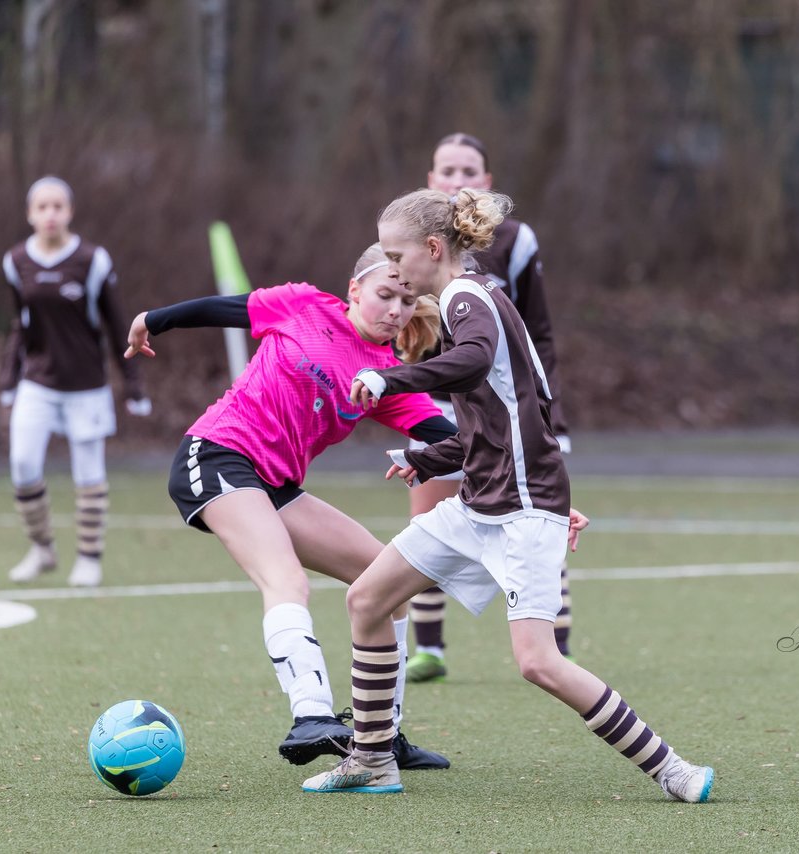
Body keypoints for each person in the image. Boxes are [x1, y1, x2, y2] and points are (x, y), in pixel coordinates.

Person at [301, 188, 714, 803]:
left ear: (433, 249)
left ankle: (673, 769)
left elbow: (471, 364)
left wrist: (388, 376)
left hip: (521, 509)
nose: (393, 267)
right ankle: (371, 758)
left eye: (397, 254)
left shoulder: (468, 298)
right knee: (367, 599)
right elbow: (505, 415)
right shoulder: (473, 296)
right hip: (478, 504)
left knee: (538, 662)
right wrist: (431, 457)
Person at [122, 244, 452, 771]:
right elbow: (220, 309)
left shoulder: (387, 379)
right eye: (384, 295)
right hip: (216, 454)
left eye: (406, 302)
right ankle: (311, 715)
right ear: (354, 290)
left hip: (276, 486)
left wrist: (537, 487)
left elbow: (458, 440)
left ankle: (379, 736)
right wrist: (150, 321)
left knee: (391, 582)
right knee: (286, 580)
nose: (395, 310)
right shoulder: (302, 304)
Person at [405, 133, 574, 684]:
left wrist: (548, 410)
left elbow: (533, 336)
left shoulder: (513, 243)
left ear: (487, 182)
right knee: (427, 521)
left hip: (502, 404)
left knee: (534, 520)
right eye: (447, 169)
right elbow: (394, 320)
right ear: (431, 180)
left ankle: (556, 644)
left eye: (469, 170)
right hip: (431, 397)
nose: (458, 179)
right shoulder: (411, 242)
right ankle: (428, 646)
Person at [0, 175, 151, 588]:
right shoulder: (16, 262)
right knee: (23, 465)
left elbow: (119, 322)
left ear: (70, 211)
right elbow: (21, 324)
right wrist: (8, 377)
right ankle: (43, 548)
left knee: (88, 474)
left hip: (86, 385)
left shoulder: (92, 260)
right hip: (38, 383)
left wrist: (133, 383)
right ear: (30, 214)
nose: (50, 214)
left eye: (58, 206)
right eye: (42, 207)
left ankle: (89, 558)